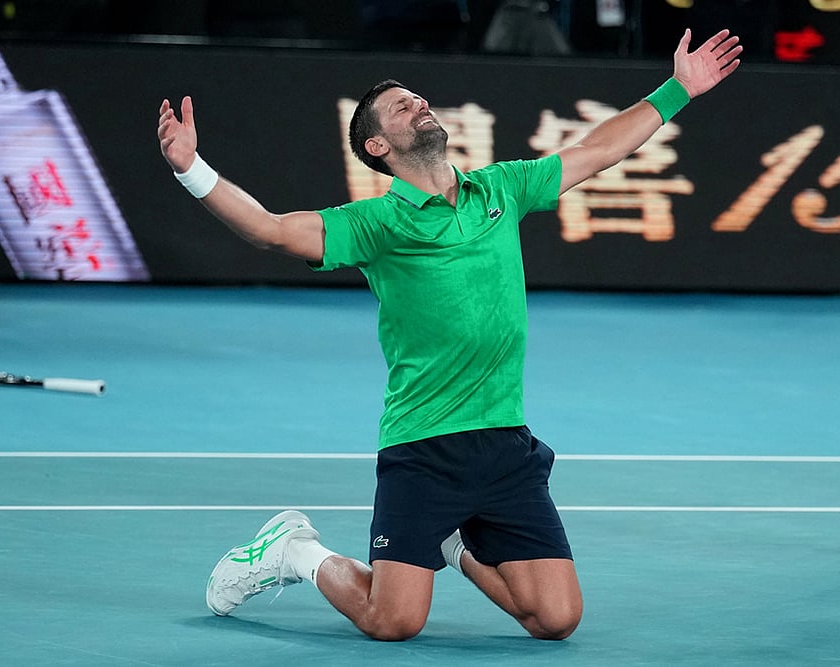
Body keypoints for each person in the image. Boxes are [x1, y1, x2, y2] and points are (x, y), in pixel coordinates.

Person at [157, 28, 741, 641]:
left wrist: (679, 89)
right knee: (394, 621)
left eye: (420, 99)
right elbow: (272, 230)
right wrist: (190, 168)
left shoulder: (500, 189)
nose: (421, 106)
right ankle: (294, 552)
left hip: (505, 442)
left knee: (556, 619)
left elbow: (597, 151)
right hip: (425, 447)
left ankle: (455, 544)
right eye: (403, 107)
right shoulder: (375, 223)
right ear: (378, 145)